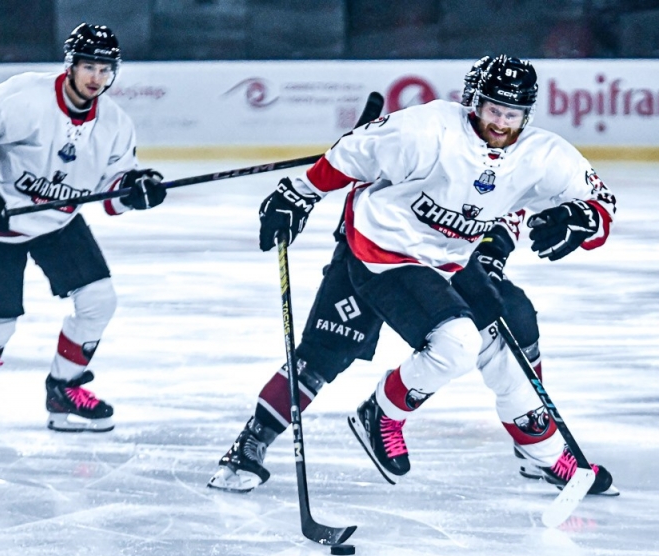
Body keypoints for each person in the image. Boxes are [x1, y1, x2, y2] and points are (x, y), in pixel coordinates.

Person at [208, 54, 618, 496]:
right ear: (475, 102)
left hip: (449, 260)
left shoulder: (543, 155)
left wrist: (584, 220)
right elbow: (352, 152)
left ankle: (543, 455)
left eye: (512, 114)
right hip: (379, 250)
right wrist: (299, 193)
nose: (501, 122)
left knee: (511, 331)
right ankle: (253, 442)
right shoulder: (426, 130)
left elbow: (599, 204)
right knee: (329, 351)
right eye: (493, 109)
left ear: (527, 114)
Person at [0, 23, 167, 432]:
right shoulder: (25, 95)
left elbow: (112, 196)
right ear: (71, 65)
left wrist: (136, 191)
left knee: (99, 301)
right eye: (89, 67)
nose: (96, 77)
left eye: (105, 69)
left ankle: (64, 387)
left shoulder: (116, 125)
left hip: (58, 222)